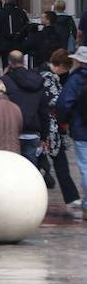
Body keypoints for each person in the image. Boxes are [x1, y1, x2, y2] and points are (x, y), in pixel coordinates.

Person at [40, 49, 82, 205]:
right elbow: (56, 101)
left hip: (49, 126)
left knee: (54, 161)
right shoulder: (49, 78)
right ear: (61, 65)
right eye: (66, 67)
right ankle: (71, 197)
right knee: (59, 161)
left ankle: (71, 196)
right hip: (51, 127)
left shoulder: (45, 75)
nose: (66, 71)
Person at [1, 50, 50, 166]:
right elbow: (44, 111)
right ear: (23, 61)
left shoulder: (5, 81)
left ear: (9, 62)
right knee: (31, 168)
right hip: (33, 130)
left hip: (12, 131)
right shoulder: (37, 80)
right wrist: (44, 136)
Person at [55, 45, 87, 217]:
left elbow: (64, 104)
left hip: (81, 130)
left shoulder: (75, 79)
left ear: (79, 61)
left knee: (85, 167)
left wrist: (64, 121)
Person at [0, 0, 29, 68]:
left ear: (5, 1)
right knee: (19, 66)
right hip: (19, 45)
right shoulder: (21, 13)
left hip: (4, 46)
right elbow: (26, 27)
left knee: (6, 66)